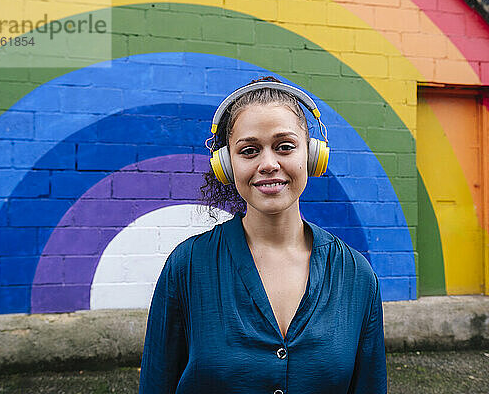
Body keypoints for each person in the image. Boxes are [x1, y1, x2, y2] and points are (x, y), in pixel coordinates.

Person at [139, 77, 387, 394]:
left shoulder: (356, 276)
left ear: (312, 155)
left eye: (285, 146)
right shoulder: (187, 267)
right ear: (226, 165)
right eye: (250, 150)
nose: (268, 164)